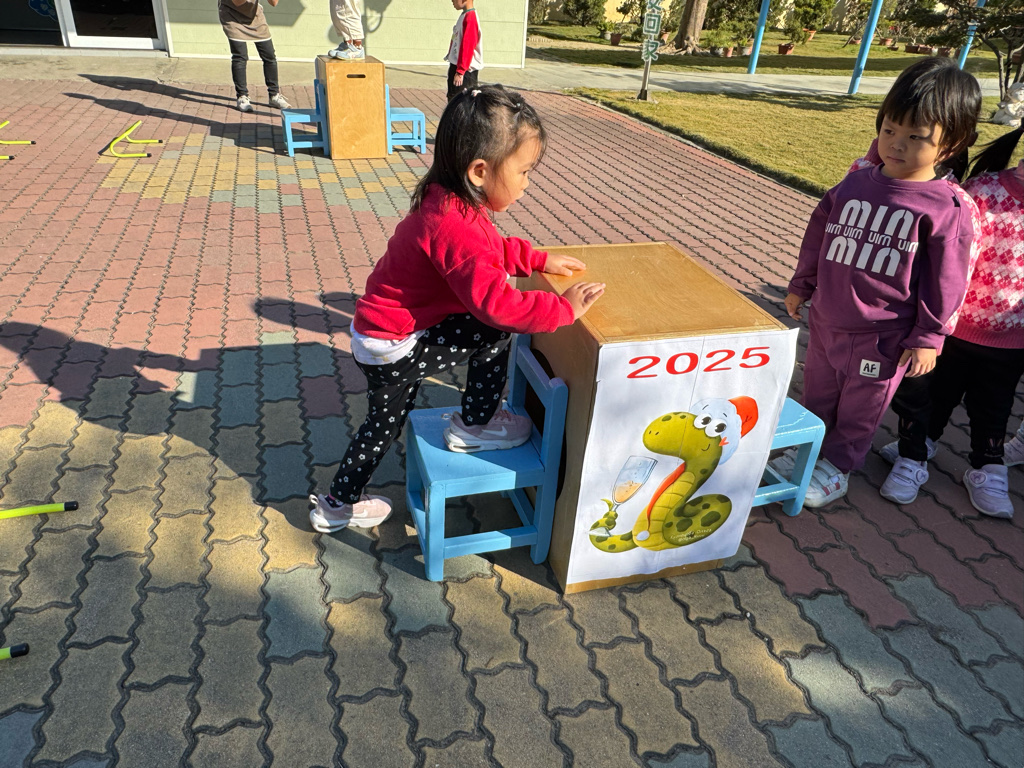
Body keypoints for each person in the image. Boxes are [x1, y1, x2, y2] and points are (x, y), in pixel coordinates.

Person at [308, 86, 605, 532]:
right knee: (489, 332)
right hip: (394, 346)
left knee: (386, 421)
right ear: (480, 170)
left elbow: (492, 248)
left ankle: (340, 501)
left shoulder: (449, 200)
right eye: (524, 171)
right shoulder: (456, 224)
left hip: (386, 332)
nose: (527, 183)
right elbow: (498, 307)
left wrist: (537, 259)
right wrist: (562, 309)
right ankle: (474, 426)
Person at [774, 58, 982, 508]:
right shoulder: (853, 184)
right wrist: (801, 284)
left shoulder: (946, 209)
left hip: (884, 339)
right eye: (889, 129)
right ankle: (808, 448)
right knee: (817, 393)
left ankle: (838, 467)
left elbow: (947, 280)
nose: (896, 144)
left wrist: (928, 337)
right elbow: (818, 234)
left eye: (916, 137)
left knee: (860, 408)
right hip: (828, 321)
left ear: (951, 144)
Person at [879, 126, 1023, 517]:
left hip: (1012, 342)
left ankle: (987, 466)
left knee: (994, 407)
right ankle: (915, 452)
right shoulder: (982, 191)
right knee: (932, 397)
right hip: (952, 331)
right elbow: (945, 259)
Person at [219, 0, 290, 112]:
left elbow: (274, 3)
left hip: (255, 17)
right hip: (231, 16)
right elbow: (238, 2)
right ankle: (242, 97)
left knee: (269, 56)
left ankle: (274, 95)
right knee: (240, 56)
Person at [445, 0, 482, 102]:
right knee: (453, 99)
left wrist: (460, 71)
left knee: (462, 102)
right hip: (457, 65)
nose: (452, 1)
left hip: (465, 71)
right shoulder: (464, 16)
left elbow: (468, 46)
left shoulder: (470, 18)